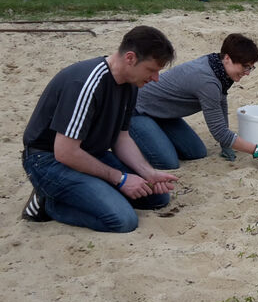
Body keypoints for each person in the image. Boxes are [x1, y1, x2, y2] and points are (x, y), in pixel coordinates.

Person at [21, 26, 179, 233]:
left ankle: (84, 192)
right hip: (47, 160)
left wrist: (147, 172)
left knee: (156, 198)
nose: (156, 78)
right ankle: (49, 203)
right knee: (122, 220)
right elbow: (65, 151)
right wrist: (120, 179)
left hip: (88, 152)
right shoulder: (86, 84)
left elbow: (121, 138)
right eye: (152, 70)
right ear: (130, 58)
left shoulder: (130, 84)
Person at [130, 33, 258, 169]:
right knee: (168, 162)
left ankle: (154, 132)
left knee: (196, 152)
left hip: (162, 113)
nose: (247, 73)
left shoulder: (217, 67)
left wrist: (226, 145)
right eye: (245, 67)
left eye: (250, 68)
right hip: (137, 109)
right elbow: (219, 132)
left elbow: (221, 102)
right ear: (227, 58)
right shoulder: (207, 81)